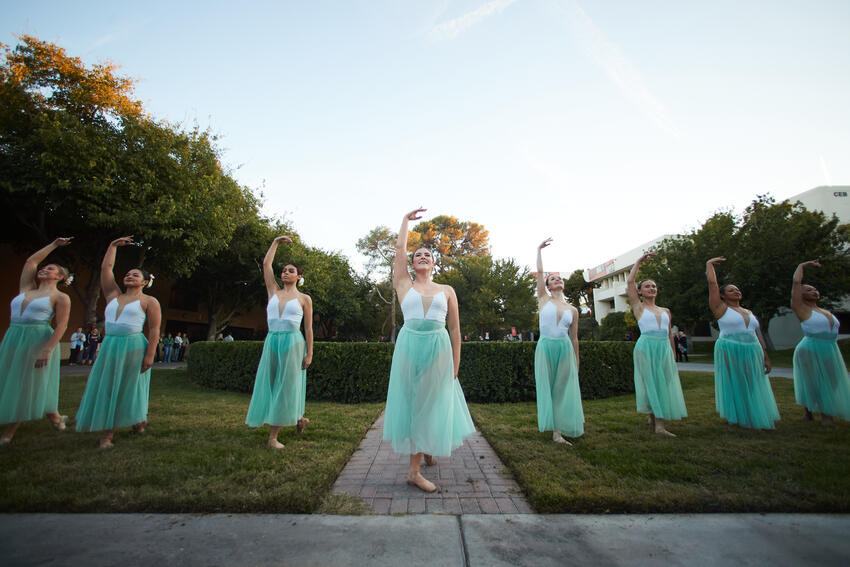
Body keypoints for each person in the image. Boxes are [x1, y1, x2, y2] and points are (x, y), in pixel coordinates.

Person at [383, 207, 475, 492]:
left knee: (432, 403)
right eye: (417, 255)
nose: (422, 257)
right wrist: (404, 222)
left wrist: (456, 367)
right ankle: (414, 472)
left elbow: (455, 330)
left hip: (438, 349)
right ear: (411, 263)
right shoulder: (403, 284)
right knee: (415, 406)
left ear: (434, 263)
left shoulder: (447, 290)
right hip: (410, 347)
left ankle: (427, 447)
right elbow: (399, 250)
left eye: (428, 255)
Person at [75, 236, 161, 448]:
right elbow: (107, 269)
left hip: (133, 346)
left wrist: (150, 354)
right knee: (109, 386)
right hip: (111, 345)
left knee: (128, 386)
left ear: (144, 282)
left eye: (136, 275)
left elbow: (154, 329)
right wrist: (112, 245)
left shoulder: (149, 301)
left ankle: (109, 435)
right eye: (128, 274)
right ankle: (133, 421)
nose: (130, 276)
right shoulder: (113, 295)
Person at [0, 238, 74, 444]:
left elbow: (62, 325)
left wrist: (47, 350)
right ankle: (56, 417)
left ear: (60, 276)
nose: (43, 269)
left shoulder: (60, 298)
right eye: (44, 268)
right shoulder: (27, 288)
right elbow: (31, 262)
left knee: (24, 383)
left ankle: (9, 431)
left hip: (37, 340)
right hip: (14, 337)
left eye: (49, 269)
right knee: (9, 378)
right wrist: (54, 245)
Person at [246, 236, 313, 449]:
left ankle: (273, 437)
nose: (285, 272)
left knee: (287, 385)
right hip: (272, 340)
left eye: (291, 270)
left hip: (293, 343)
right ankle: (299, 419)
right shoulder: (273, 291)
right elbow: (266, 265)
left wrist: (309, 353)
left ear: (299, 276)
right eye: (284, 270)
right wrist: (275, 242)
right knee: (272, 382)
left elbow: (309, 329)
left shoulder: (304, 298)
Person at [706, 257, 779, 429]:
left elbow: (755, 334)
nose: (736, 292)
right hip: (730, 347)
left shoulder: (748, 312)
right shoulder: (720, 308)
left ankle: (754, 412)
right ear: (723, 295)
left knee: (753, 380)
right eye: (731, 290)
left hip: (752, 349)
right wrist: (709, 266)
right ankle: (737, 416)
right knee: (736, 381)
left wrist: (765, 356)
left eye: (737, 289)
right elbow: (712, 285)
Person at [626, 252, 687, 436]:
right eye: (647, 286)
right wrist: (638, 261)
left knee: (663, 382)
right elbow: (629, 283)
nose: (651, 288)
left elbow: (669, 334)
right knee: (652, 382)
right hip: (646, 347)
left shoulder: (666, 311)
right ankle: (660, 426)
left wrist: (673, 354)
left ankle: (653, 417)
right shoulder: (639, 307)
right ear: (640, 291)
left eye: (654, 286)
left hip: (663, 348)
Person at [533, 238, 584, 444]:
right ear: (547, 285)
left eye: (560, 278)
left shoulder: (573, 310)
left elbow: (574, 338)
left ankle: (558, 432)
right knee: (548, 386)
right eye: (553, 279)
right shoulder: (543, 299)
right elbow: (539, 273)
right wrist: (539, 251)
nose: (557, 280)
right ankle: (553, 428)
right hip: (545, 346)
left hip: (564, 349)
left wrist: (576, 361)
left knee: (561, 388)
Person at [790, 260, 850, 425]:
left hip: (830, 347)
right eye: (808, 290)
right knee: (813, 380)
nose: (814, 291)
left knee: (832, 381)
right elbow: (796, 283)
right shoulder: (801, 309)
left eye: (815, 289)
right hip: (810, 348)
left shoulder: (824, 311)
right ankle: (822, 415)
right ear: (801, 295)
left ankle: (815, 411)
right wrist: (801, 266)